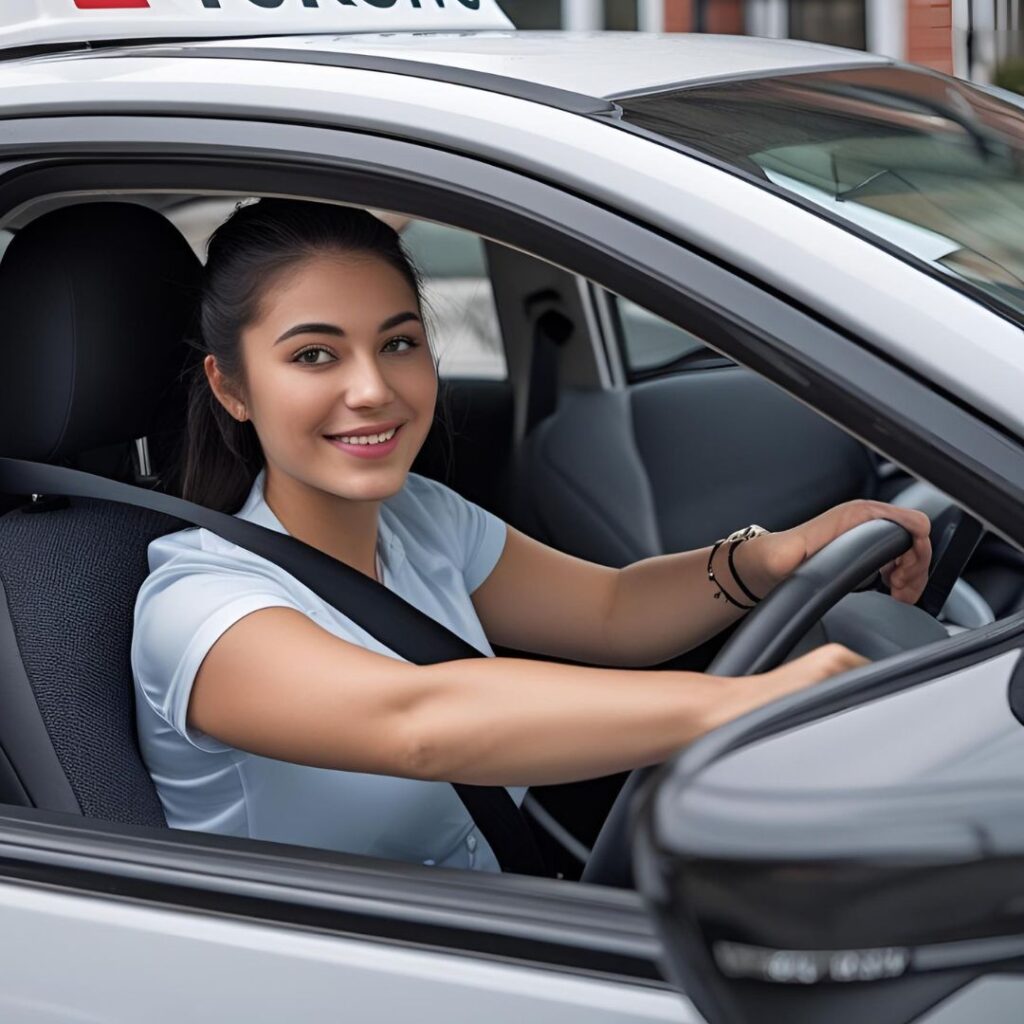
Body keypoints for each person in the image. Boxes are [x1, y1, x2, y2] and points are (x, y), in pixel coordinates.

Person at [131, 198, 931, 873]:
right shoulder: (200, 606)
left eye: (399, 344)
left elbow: (613, 611)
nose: (372, 389)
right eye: (315, 355)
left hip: (488, 936)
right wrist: (748, 704)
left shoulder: (421, 517)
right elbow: (419, 723)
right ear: (231, 387)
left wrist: (770, 557)